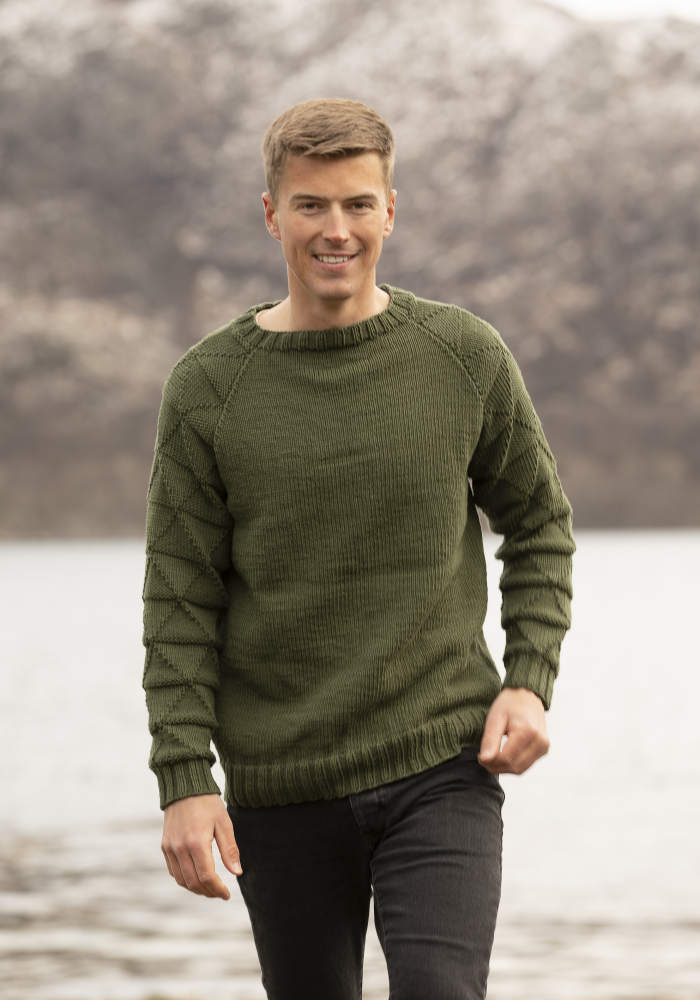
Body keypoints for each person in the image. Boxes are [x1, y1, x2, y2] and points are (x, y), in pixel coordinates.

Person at [142, 98, 575, 1000]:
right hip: (281, 786)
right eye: (311, 205)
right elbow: (180, 601)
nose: (335, 230)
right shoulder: (209, 388)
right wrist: (184, 778)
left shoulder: (463, 356)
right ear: (272, 214)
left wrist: (529, 678)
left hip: (442, 764)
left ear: (390, 211)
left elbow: (538, 523)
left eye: (357, 204)